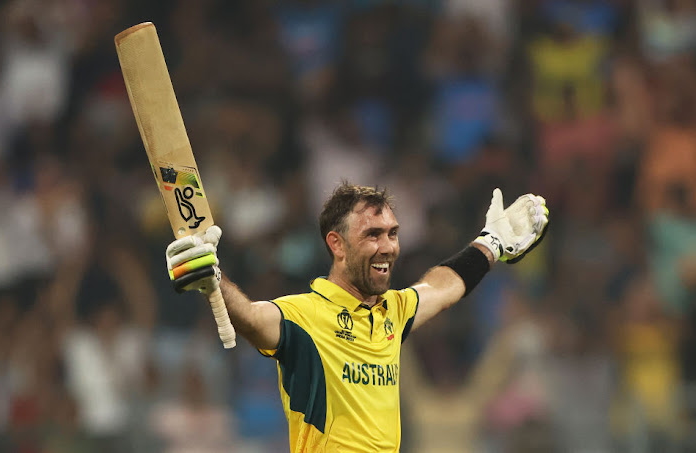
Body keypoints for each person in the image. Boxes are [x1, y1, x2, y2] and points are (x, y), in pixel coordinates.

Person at [165, 183, 549, 453]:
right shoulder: (304, 315)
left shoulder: (393, 312)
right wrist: (212, 280)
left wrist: (491, 245)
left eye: (393, 233)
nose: (388, 247)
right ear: (337, 244)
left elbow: (443, 286)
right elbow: (249, 316)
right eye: (373, 235)